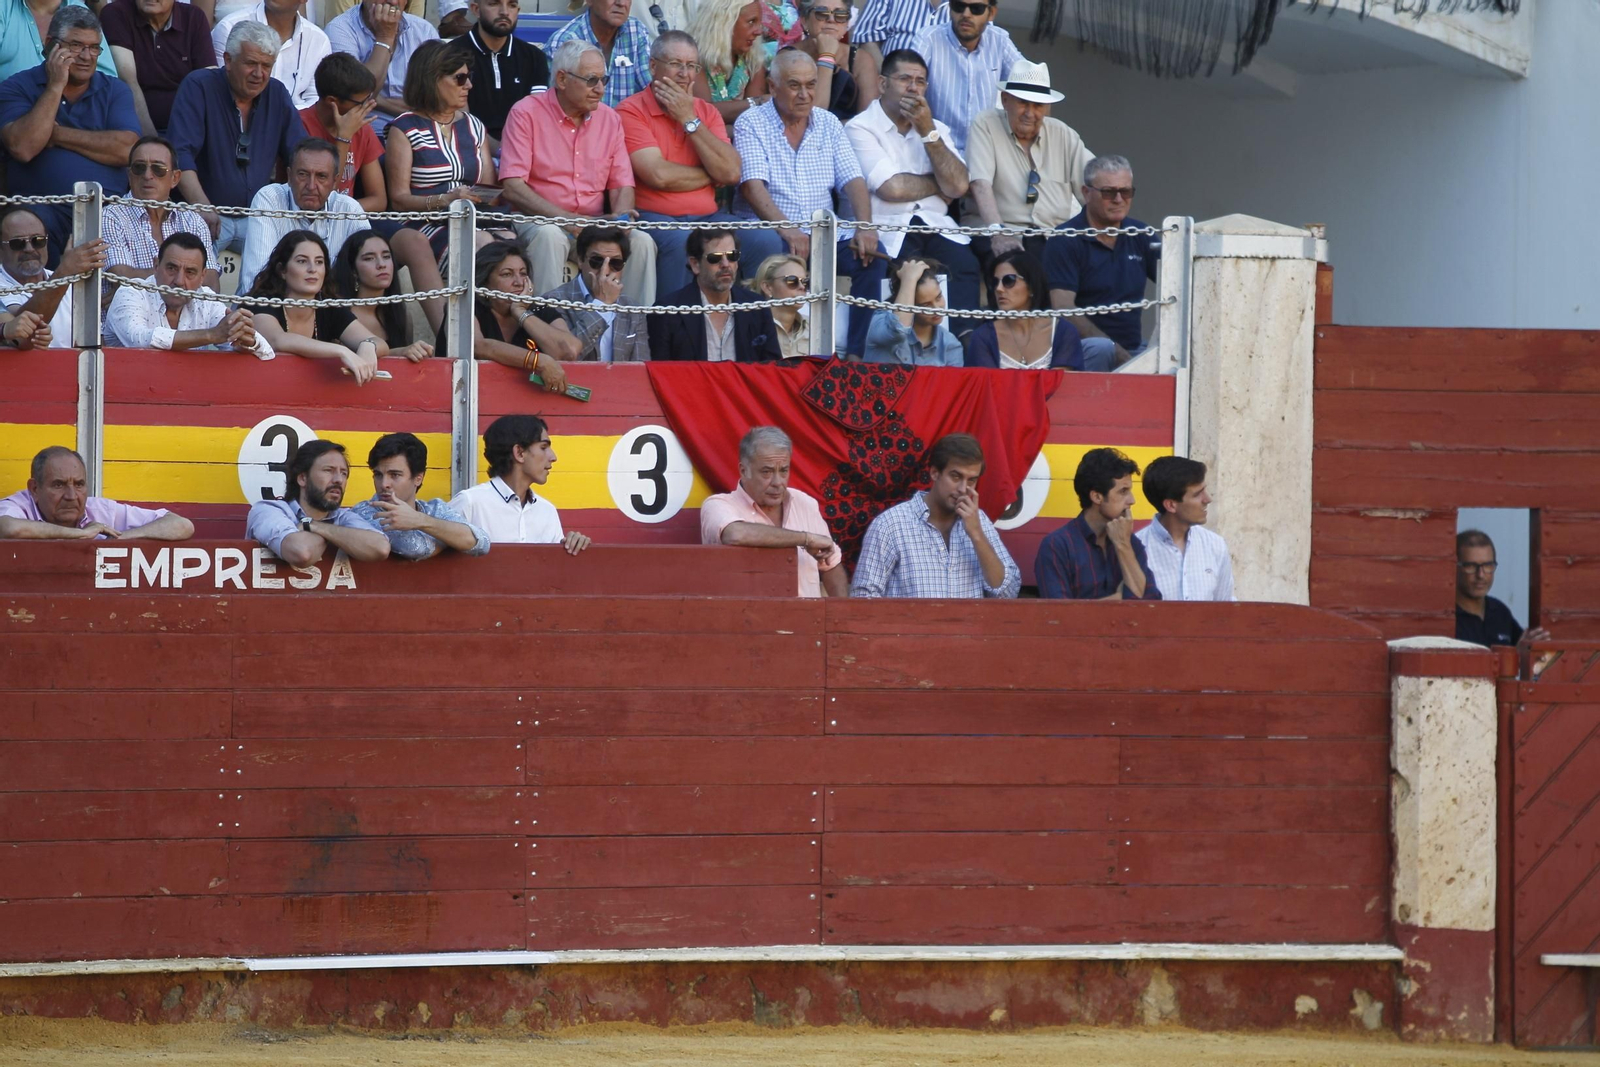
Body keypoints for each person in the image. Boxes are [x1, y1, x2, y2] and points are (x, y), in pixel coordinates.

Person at [733, 50, 878, 357]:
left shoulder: (828, 123)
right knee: (774, 252)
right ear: (772, 87)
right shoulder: (752, 122)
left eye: (811, 85)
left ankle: (855, 355)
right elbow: (751, 186)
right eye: (794, 85)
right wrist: (787, 229)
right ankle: (770, 353)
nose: (805, 94)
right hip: (772, 232)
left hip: (824, 236)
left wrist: (865, 227)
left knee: (871, 258)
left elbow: (853, 180)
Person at [500, 40, 657, 302]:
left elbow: (621, 184)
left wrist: (620, 221)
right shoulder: (525, 112)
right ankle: (548, 331)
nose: (600, 89)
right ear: (561, 79)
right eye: (591, 80)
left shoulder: (609, 119)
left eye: (604, 79)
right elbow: (513, 187)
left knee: (640, 242)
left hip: (593, 225)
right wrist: (567, 220)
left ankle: (634, 334)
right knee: (550, 236)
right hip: (540, 219)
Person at [844, 48, 976, 334]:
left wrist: (928, 131)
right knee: (907, 272)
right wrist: (938, 184)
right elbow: (891, 187)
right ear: (882, 84)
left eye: (921, 81)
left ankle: (963, 348)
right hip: (887, 230)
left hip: (936, 226)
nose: (914, 88)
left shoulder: (936, 128)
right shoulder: (860, 128)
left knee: (965, 265)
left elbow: (959, 185)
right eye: (905, 79)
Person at [384, 39, 502, 337]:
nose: (469, 85)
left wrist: (482, 197)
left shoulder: (475, 126)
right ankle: (467, 338)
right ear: (432, 79)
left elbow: (487, 185)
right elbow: (398, 200)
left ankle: (501, 335)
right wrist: (445, 200)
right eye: (459, 78)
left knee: (510, 249)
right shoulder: (404, 128)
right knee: (485, 247)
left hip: (474, 217)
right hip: (425, 221)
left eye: (468, 77)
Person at [0, 6, 139, 250]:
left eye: (94, 47)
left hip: (107, 211)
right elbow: (23, 147)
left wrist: (56, 134)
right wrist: (55, 86)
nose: (86, 56)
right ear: (51, 44)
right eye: (76, 46)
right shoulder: (17, 86)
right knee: (27, 226)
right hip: (41, 211)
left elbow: (127, 149)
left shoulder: (114, 90)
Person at [618, 30, 742, 300]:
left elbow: (731, 172)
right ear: (653, 66)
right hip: (653, 215)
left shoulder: (705, 111)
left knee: (762, 238)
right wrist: (712, 174)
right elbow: (658, 175)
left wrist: (689, 119)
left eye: (691, 66)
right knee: (681, 239)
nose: (684, 74)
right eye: (675, 64)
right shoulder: (630, 110)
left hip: (709, 216)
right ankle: (670, 330)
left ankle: (749, 328)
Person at [169, 21, 309, 254]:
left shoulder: (277, 93)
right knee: (198, 279)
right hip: (202, 214)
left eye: (266, 65)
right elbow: (180, 155)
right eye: (251, 63)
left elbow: (301, 154)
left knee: (285, 268)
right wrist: (202, 207)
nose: (259, 74)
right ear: (228, 60)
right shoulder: (198, 86)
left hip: (257, 218)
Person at [967, 60, 1092, 285]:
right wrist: (998, 232)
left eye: (1038, 105)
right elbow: (980, 184)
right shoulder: (985, 124)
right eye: (1023, 103)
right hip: (1003, 233)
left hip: (1052, 238)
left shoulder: (1063, 134)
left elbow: (1093, 186)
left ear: (1048, 108)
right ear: (1005, 100)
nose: (1030, 113)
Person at [851, 432, 1019, 598]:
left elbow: (1008, 594)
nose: (962, 488)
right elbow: (863, 597)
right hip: (909, 625)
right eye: (956, 476)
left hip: (969, 625)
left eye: (971, 480)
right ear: (934, 473)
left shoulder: (978, 521)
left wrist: (976, 535)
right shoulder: (891, 524)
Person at [700, 426, 847, 597]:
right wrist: (806, 539)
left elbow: (831, 565)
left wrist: (841, 616)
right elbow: (735, 534)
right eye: (767, 472)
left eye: (783, 470)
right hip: (746, 621)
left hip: (807, 621)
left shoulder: (805, 503)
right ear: (743, 470)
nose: (778, 482)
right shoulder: (718, 505)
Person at [1045, 155, 1159, 370]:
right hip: (1083, 350)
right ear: (1086, 193)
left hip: (1133, 348)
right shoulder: (1065, 238)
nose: (1118, 199)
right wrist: (1116, 351)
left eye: (1125, 191)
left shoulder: (1142, 234)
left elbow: (1177, 282)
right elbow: (1063, 307)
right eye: (1108, 192)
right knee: (1102, 348)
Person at [242, 230, 387, 384]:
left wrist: (368, 345)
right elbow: (277, 340)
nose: (313, 269)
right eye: (302, 261)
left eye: (319, 262)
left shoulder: (328, 306)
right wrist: (341, 351)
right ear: (282, 270)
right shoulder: (260, 301)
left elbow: (379, 342)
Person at [105, 231, 271, 357]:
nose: (179, 280)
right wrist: (210, 335)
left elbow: (265, 352)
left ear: (202, 277)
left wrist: (247, 343)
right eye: (171, 268)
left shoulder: (206, 299)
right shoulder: (130, 292)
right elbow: (139, 339)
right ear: (156, 266)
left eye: (190, 272)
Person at [237, 139, 369, 295]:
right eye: (303, 174)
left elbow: (368, 273)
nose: (311, 186)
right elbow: (257, 282)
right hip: (270, 310)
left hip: (331, 313)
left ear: (335, 182)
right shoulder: (269, 199)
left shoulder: (349, 209)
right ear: (289, 175)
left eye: (321, 176)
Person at [451, 414, 592, 553]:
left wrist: (573, 544)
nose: (553, 457)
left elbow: (553, 569)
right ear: (519, 452)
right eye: (543, 447)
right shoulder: (470, 502)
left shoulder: (547, 510)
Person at [1035, 446, 1161, 600]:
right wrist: (1120, 598)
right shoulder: (1058, 546)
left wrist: (1123, 546)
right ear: (1097, 497)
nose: (1132, 500)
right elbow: (1059, 616)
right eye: (1123, 491)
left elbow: (1150, 603)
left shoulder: (1131, 544)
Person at [102, 136, 222, 297]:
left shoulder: (192, 220)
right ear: (130, 176)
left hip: (186, 321)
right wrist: (188, 277)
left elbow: (211, 282)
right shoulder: (111, 216)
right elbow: (122, 278)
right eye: (139, 168)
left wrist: (145, 279)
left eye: (158, 169)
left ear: (175, 178)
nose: (147, 175)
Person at [245, 439, 391, 566]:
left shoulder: (343, 516)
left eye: (344, 473)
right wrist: (339, 536)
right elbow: (301, 553)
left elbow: (380, 547)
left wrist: (313, 526)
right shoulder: (267, 510)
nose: (339, 480)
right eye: (329, 470)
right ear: (302, 478)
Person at [0, 446, 194, 541]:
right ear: (34, 489)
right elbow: (8, 528)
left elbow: (182, 525)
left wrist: (118, 539)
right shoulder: (18, 505)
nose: (72, 496)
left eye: (79, 484)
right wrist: (80, 535)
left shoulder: (100, 510)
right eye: (58, 485)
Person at [649, 228, 781, 362]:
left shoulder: (756, 306)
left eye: (732, 256)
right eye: (715, 258)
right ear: (695, 264)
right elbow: (660, 373)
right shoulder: (667, 311)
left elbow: (772, 370)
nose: (725, 264)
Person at [351, 432, 490, 560]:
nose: (384, 484)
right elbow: (416, 549)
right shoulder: (364, 513)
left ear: (418, 478)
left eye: (395, 475)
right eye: (378, 475)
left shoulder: (435, 508)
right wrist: (450, 538)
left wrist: (420, 520)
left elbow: (482, 542)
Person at [912, 0, 1019, 156]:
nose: (966, 14)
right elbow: (909, 80)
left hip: (984, 154)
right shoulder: (929, 38)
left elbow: (1029, 83)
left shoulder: (999, 40)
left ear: (992, 13)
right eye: (958, 6)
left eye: (976, 8)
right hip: (936, 149)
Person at [470, 240, 578, 393]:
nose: (519, 283)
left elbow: (569, 351)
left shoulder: (538, 309)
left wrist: (521, 313)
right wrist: (539, 361)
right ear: (485, 281)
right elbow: (477, 346)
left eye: (523, 273)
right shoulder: (468, 307)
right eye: (507, 274)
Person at [325, 0, 439, 139]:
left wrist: (381, 102)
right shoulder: (340, 29)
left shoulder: (424, 30)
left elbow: (436, 101)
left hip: (422, 131)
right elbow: (357, 96)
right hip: (367, 133)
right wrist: (385, 37)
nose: (393, 2)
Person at [100, 0, 216, 136]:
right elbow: (127, 80)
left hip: (187, 129)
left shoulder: (193, 17)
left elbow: (209, 82)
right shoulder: (116, 13)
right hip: (136, 130)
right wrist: (153, 142)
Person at [540, 225, 650, 362]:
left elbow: (640, 368)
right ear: (580, 260)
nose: (606, 271)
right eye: (597, 261)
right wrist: (601, 305)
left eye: (615, 263)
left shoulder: (633, 309)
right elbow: (567, 356)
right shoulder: (552, 302)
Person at [0, 208, 106, 350]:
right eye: (17, 243)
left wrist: (64, 274)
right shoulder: (65, 275)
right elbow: (21, 333)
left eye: (38, 240)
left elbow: (94, 342)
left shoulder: (71, 283)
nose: (29, 249)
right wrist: (64, 272)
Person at [1133, 455, 1234, 602]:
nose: (1208, 499)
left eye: (1204, 490)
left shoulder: (1215, 545)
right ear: (1171, 505)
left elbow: (1226, 608)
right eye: (1197, 494)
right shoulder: (1137, 548)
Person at [964, 249, 1083, 370]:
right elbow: (985, 385)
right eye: (995, 282)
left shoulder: (1063, 332)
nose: (999, 289)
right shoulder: (983, 336)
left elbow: (1063, 384)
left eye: (1009, 280)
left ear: (1031, 286)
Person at [299, 54, 387, 214]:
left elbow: (378, 200)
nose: (367, 107)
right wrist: (343, 138)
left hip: (349, 216)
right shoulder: (300, 126)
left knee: (411, 239)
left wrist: (344, 211)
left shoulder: (362, 129)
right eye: (361, 103)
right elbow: (321, 199)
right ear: (332, 101)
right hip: (306, 220)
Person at [331, 229, 433, 362]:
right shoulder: (337, 311)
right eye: (369, 258)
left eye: (386, 256)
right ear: (353, 270)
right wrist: (401, 352)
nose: (381, 265)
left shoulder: (401, 315)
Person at [211, 0, 330, 110]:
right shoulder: (229, 27)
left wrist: (288, 119)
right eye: (251, 62)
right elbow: (222, 90)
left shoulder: (318, 39)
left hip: (298, 124)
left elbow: (316, 99)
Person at [463, 0, 550, 145]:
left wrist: (514, 154)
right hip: (469, 151)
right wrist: (501, 152)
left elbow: (536, 116)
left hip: (522, 149)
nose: (504, 12)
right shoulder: (452, 55)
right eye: (494, 4)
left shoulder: (534, 57)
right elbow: (459, 120)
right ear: (476, 9)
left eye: (512, 5)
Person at [545, 0, 651, 109]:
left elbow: (650, 88)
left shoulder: (636, 30)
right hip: (581, 124)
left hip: (628, 123)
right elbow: (555, 109)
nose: (621, 3)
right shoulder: (564, 42)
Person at [1456, 529, 1546, 648]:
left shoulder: (1499, 611)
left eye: (1488, 565)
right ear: (1454, 568)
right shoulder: (1445, 618)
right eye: (1471, 566)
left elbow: (1522, 651)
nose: (1480, 575)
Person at [864, 256, 960, 366]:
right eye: (926, 305)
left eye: (938, 297)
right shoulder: (880, 322)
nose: (937, 309)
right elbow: (898, 330)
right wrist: (909, 280)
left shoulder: (950, 344)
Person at [0, 0, 119, 86]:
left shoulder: (80, 11)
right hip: (9, 110)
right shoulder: (4, 7)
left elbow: (107, 81)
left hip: (72, 112)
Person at [687, 0, 767, 124]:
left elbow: (755, 120)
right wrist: (758, 102)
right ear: (724, 23)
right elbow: (703, 113)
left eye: (759, 23)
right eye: (751, 22)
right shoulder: (692, 58)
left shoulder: (753, 60)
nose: (759, 31)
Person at [795, 0, 860, 119]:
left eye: (840, 15)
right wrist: (827, 56)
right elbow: (814, 115)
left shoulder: (860, 58)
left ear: (846, 24)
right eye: (821, 13)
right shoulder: (789, 56)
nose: (831, 19)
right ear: (804, 20)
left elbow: (867, 120)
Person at [754, 253, 810, 359]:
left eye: (805, 282)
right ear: (767, 287)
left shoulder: (814, 328)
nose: (802, 287)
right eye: (792, 280)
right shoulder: (752, 327)